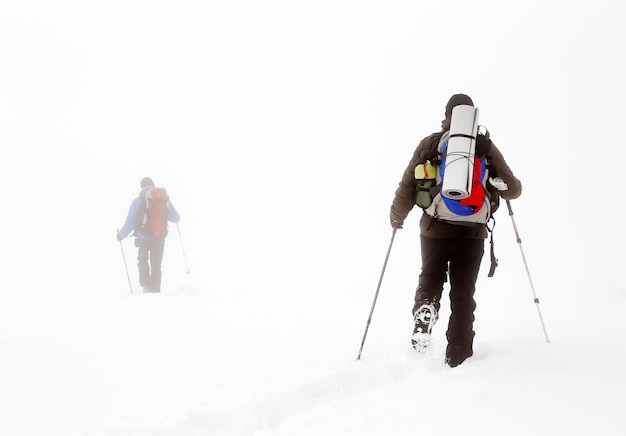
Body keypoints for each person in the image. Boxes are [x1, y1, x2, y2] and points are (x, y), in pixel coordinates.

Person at [390, 94, 522, 367]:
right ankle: (458, 354)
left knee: (431, 275)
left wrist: (396, 217)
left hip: (434, 228)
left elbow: (407, 185)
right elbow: (514, 189)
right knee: (463, 294)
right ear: (472, 116)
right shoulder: (484, 146)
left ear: (447, 114)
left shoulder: (431, 143)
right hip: (472, 232)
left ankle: (426, 306)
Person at [117, 177, 180, 293]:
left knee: (143, 260)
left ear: (142, 186)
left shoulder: (137, 201)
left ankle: (146, 286)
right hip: (159, 237)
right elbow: (176, 218)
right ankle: (156, 289)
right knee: (156, 263)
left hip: (143, 237)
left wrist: (121, 235)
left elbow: (130, 221)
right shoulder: (164, 200)